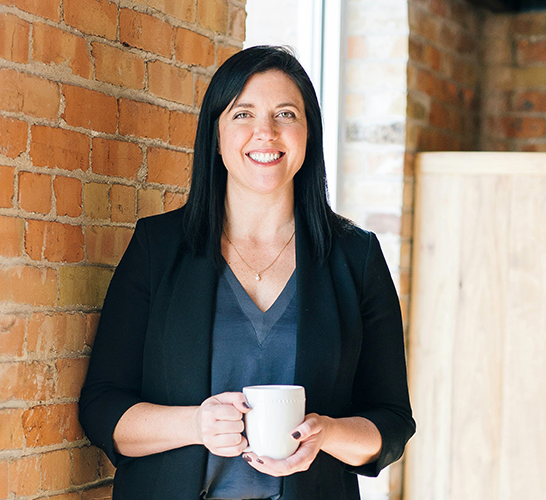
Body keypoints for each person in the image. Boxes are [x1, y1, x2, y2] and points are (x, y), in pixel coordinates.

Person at [78, 45, 415, 499]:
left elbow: (391, 422)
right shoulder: (157, 248)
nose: (266, 133)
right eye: (242, 115)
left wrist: (327, 433)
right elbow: (102, 408)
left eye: (286, 114)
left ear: (308, 133)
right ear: (214, 135)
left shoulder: (357, 257)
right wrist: (196, 425)